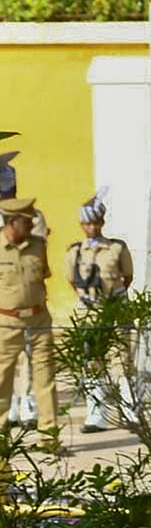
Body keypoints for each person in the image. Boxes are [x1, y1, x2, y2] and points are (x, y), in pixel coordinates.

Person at [68, 188, 135, 433]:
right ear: (82, 225)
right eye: (87, 223)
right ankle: (97, 417)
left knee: (122, 363)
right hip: (90, 313)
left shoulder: (116, 248)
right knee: (93, 364)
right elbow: (72, 281)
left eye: (96, 223)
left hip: (116, 311)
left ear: (102, 223)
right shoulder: (75, 251)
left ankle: (130, 413)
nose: (92, 228)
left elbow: (126, 277)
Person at [0, 199, 57, 445]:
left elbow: (44, 274)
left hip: (39, 318)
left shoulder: (38, 246)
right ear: (11, 223)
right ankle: (1, 441)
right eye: (26, 221)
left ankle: (49, 436)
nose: (32, 224)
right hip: (6, 321)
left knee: (45, 377)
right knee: (2, 379)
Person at [0, 148, 42, 429]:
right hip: (5, 313)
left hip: (33, 312)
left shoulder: (31, 218)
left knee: (36, 370)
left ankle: (25, 403)